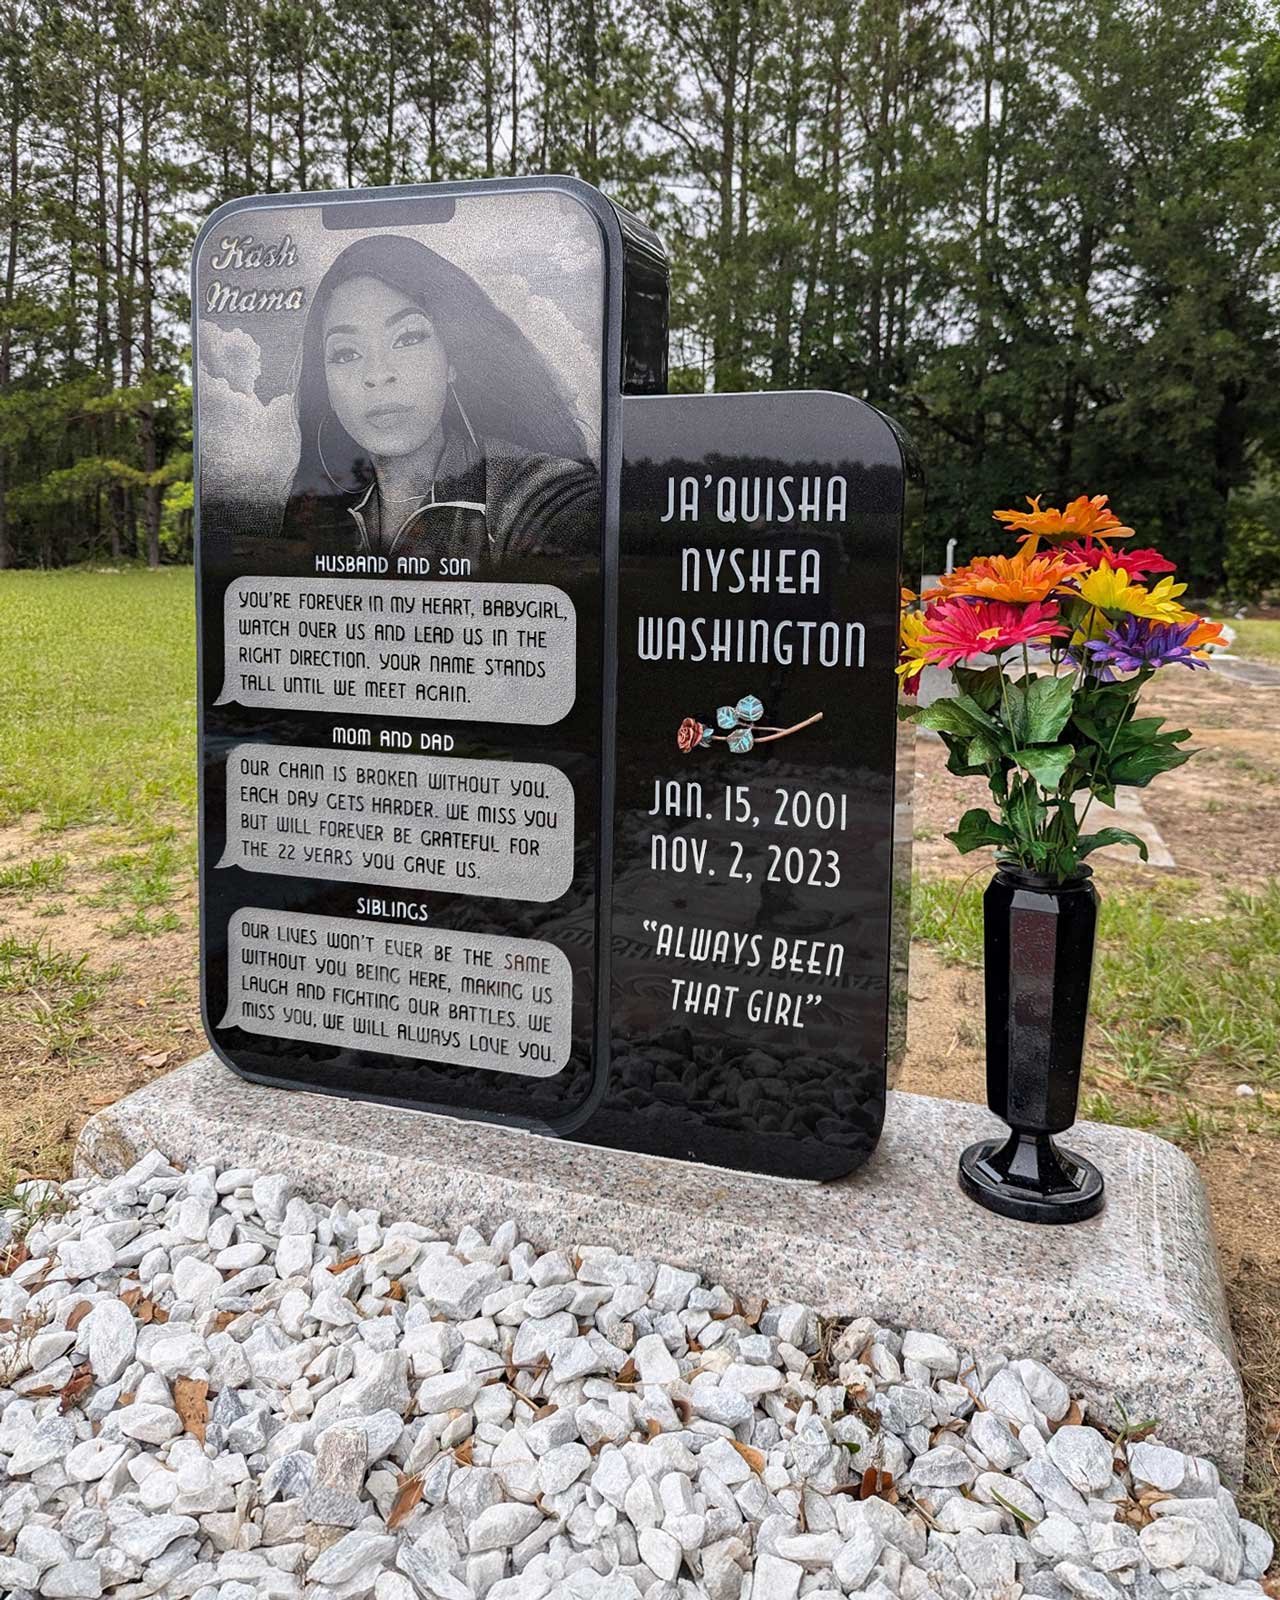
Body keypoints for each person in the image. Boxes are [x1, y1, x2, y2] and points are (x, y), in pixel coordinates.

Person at [278, 233, 599, 565]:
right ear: (325, 388)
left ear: (452, 362)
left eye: (408, 337)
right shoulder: (319, 516)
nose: (377, 374)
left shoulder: (544, 494)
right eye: (346, 353)